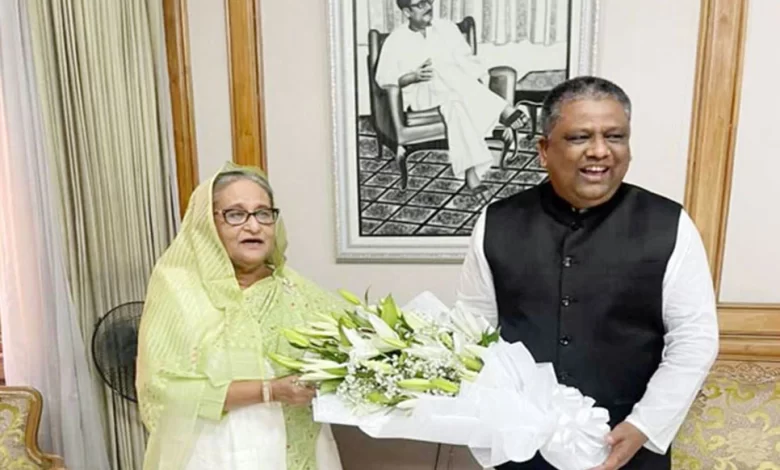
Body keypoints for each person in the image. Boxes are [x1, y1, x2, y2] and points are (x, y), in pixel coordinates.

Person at [455, 76, 719, 470]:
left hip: (627, 446)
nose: (599, 151)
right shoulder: (497, 223)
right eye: (580, 137)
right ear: (544, 150)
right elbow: (471, 332)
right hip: (521, 447)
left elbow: (695, 339)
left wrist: (644, 426)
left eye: (615, 137)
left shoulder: (670, 224)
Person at [136, 163, 343, 470]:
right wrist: (270, 390)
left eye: (263, 213)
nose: (254, 226)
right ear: (208, 224)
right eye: (235, 214)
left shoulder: (296, 290)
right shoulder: (179, 289)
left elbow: (356, 347)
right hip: (214, 449)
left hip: (298, 444)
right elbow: (162, 390)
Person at [375, 0, 528, 193]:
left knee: (456, 105)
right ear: (407, 12)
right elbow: (384, 80)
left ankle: (471, 174)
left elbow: (468, 62)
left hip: (454, 91)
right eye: (420, 5)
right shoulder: (396, 39)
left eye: (428, 1)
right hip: (420, 94)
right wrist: (413, 76)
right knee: (440, 65)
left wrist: (477, 80)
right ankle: (502, 110)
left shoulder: (446, 28)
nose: (428, 7)